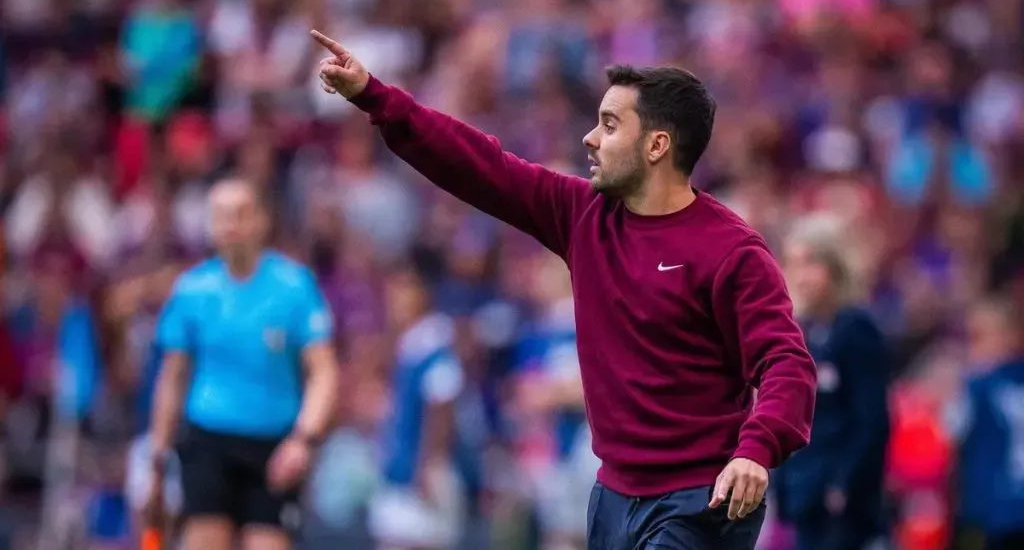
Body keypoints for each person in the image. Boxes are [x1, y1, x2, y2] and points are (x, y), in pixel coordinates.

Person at [312, 30, 817, 550]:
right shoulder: (583, 216)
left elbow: (786, 361)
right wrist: (374, 96)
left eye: (610, 125)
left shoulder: (731, 251)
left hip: (700, 499)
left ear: (657, 145)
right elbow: (479, 166)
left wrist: (756, 450)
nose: (590, 139)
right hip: (612, 496)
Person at [143, 177, 341, 550]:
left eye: (240, 214)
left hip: (274, 446)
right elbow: (172, 378)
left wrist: (304, 440)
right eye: (220, 216)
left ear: (262, 221)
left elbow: (324, 371)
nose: (230, 225)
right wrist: (157, 455)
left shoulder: (295, 287)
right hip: (207, 440)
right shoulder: (192, 290)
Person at [774, 215, 891, 550]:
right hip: (805, 493)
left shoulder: (857, 330)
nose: (799, 276)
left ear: (835, 268)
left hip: (841, 505)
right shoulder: (803, 333)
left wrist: (844, 483)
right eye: (792, 263)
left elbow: (872, 421)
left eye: (810, 263)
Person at [368, 266, 466, 550]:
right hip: (401, 469)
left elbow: (442, 409)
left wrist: (429, 467)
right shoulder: (408, 346)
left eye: (403, 293)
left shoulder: (434, 347)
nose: (395, 302)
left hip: (419, 475)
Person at [947, 297, 1024, 550]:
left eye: (979, 338)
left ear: (1011, 336)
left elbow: (950, 431)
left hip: (991, 509)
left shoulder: (977, 387)